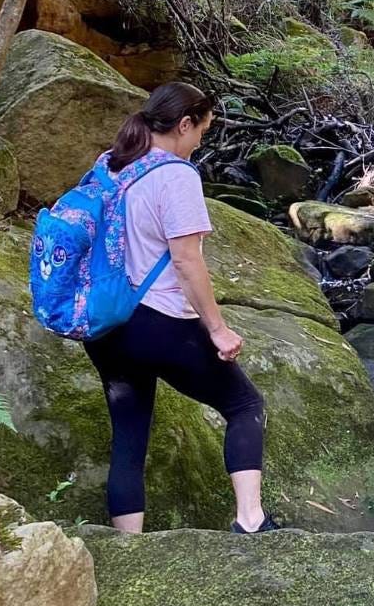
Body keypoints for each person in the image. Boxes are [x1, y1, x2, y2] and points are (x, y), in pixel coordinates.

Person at [82, 84, 273, 534]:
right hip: (158, 320)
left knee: (129, 433)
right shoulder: (177, 175)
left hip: (106, 322)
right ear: (184, 124)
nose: (201, 142)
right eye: (202, 131)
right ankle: (250, 521)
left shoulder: (110, 164)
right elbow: (187, 260)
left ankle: (130, 547)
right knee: (245, 404)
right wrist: (218, 329)